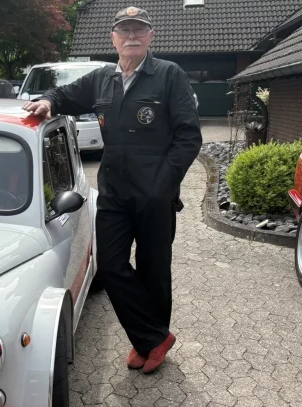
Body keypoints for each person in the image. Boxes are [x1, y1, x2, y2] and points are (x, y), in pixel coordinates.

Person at [23, 6, 202, 374]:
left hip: (154, 196)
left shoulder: (169, 75)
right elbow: (66, 94)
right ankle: (154, 337)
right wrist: (50, 102)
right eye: (125, 31)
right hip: (115, 193)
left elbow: (189, 137)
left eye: (139, 31)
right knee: (113, 266)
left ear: (150, 37)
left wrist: (163, 183)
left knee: (154, 270)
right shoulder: (102, 79)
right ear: (114, 39)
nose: (132, 37)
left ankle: (147, 342)